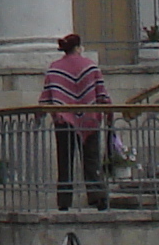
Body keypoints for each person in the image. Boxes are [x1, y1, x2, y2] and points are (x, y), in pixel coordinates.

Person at [42, 32, 112, 209]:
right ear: (79, 47)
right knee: (92, 161)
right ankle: (98, 198)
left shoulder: (54, 68)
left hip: (64, 122)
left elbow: (47, 96)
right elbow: (101, 93)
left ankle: (64, 202)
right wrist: (109, 111)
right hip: (90, 119)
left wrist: (42, 114)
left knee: (65, 163)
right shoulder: (90, 66)